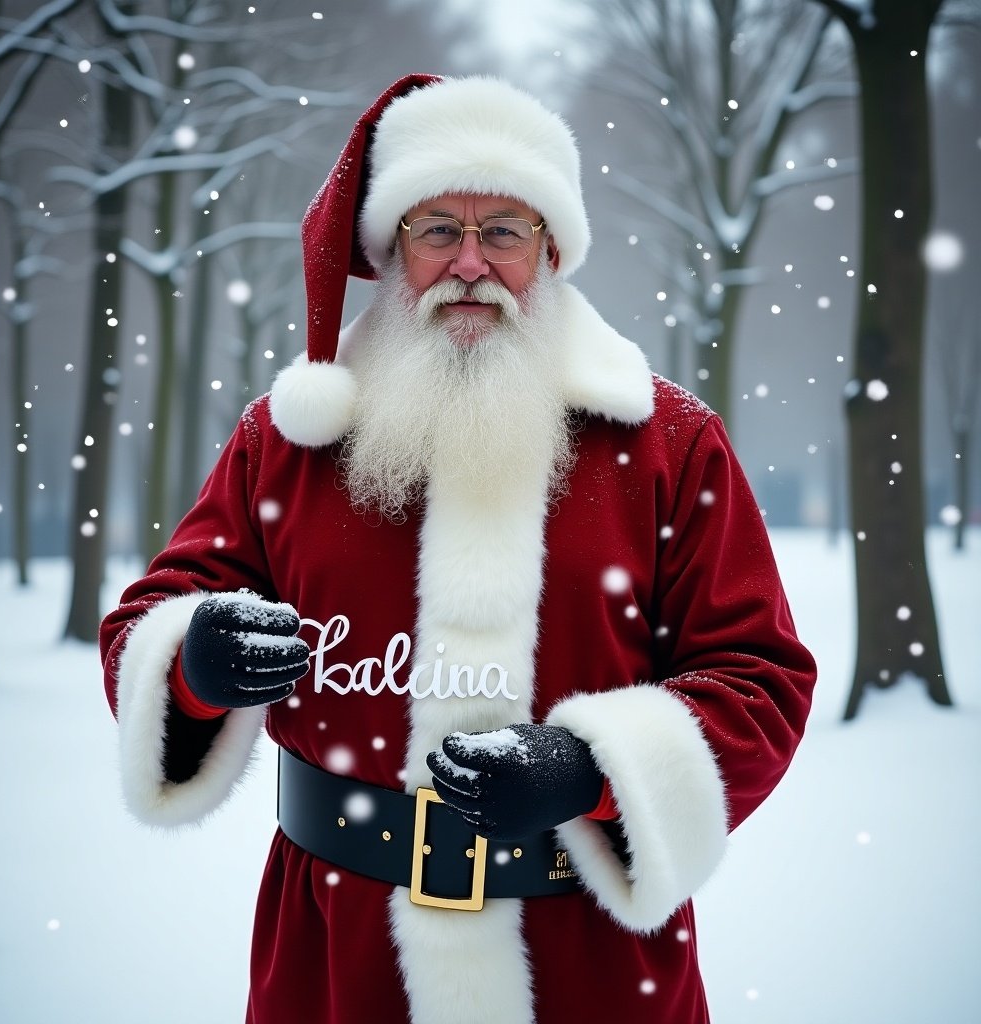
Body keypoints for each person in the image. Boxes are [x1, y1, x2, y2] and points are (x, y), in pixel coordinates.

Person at [100, 74, 816, 1024]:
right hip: (337, 955)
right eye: (438, 228)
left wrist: (594, 767)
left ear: (551, 249)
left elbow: (758, 677)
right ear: (392, 249)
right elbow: (150, 618)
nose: (470, 263)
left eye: (503, 232)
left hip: (591, 960)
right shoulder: (291, 436)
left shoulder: (668, 443)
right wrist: (190, 659)